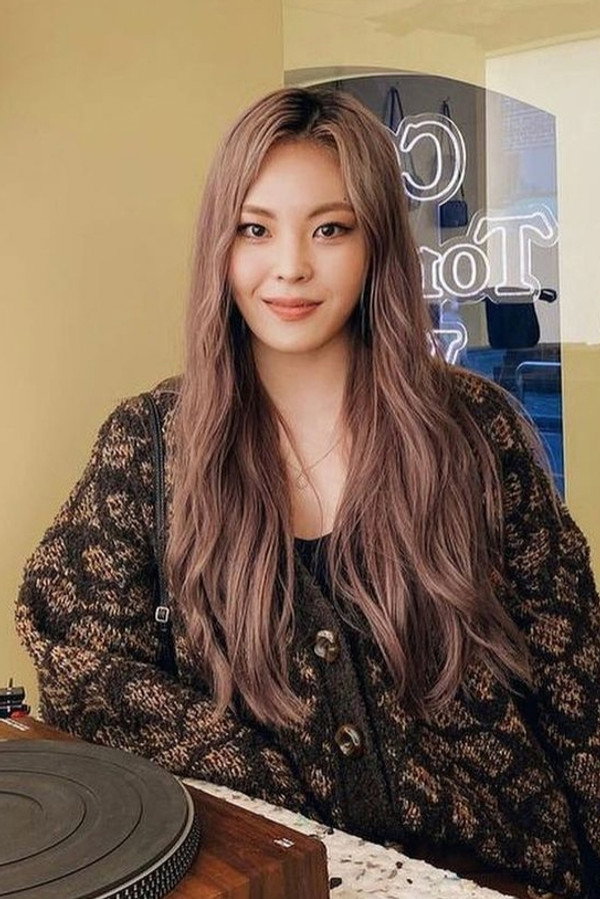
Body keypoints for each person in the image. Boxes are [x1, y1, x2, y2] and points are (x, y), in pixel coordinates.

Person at [15, 87, 599, 899]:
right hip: (279, 875)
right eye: (255, 229)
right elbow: (80, 668)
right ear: (220, 245)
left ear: (376, 243)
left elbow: (578, 684)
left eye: (330, 228)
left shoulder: (475, 430)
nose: (290, 265)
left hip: (500, 868)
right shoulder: (149, 446)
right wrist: (268, 784)